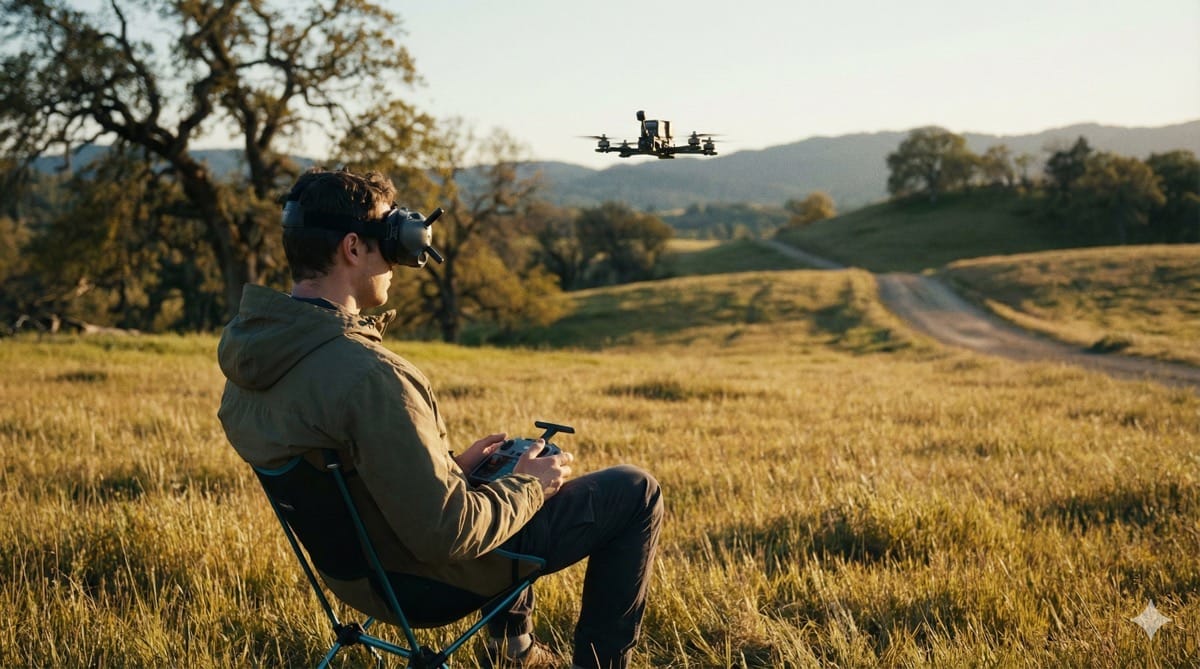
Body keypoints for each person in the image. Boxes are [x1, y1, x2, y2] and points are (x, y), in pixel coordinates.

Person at [217, 167, 663, 669]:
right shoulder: (372, 376)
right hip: (419, 585)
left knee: (491, 475)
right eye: (391, 241)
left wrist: (453, 468)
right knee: (635, 491)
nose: (397, 261)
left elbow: (350, 473)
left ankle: (514, 649)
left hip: (351, 577)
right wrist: (529, 486)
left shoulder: (252, 357)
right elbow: (448, 533)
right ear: (353, 248)